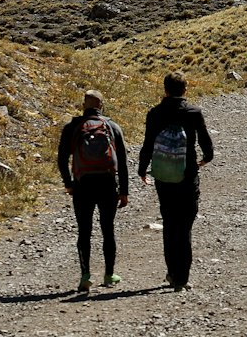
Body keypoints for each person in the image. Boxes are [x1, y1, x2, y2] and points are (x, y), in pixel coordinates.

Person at [138, 71, 215, 292]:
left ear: (165, 90)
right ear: (185, 90)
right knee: (185, 225)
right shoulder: (194, 112)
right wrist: (205, 159)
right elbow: (206, 143)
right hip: (188, 175)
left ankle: (172, 272)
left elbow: (147, 144)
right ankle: (183, 277)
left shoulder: (155, 113)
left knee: (170, 223)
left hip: (163, 176)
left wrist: (143, 169)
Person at [55, 89, 129, 293]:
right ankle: (109, 275)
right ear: (101, 106)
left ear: (83, 105)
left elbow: (62, 158)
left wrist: (68, 183)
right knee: (108, 229)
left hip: (82, 184)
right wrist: (124, 190)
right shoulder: (112, 126)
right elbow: (122, 162)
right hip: (107, 184)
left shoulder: (72, 127)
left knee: (84, 231)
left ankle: (85, 275)